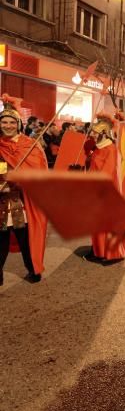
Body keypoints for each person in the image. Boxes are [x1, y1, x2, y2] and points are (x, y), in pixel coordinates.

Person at [0, 95, 48, 284]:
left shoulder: (29, 145)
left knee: (25, 238)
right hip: (1, 199)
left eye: (12, 122)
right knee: (1, 239)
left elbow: (37, 171)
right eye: (4, 121)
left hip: (23, 200)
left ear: (18, 124)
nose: (8, 125)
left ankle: (33, 270)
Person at [83, 112, 125, 264]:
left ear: (104, 133)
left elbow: (106, 175)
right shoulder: (99, 148)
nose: (92, 135)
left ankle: (113, 254)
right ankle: (99, 251)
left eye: (95, 133)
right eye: (92, 132)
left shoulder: (111, 150)